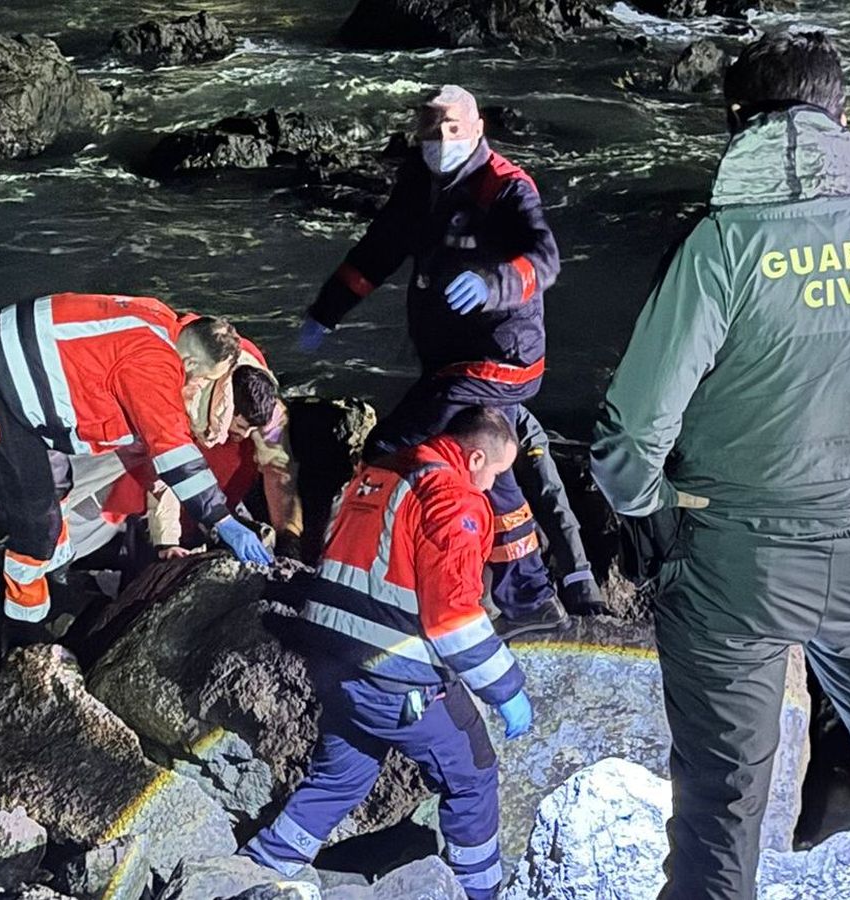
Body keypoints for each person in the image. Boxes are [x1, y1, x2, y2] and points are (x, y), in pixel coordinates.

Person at [590, 32, 850, 900]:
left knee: (724, 784)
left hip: (733, 561)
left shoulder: (721, 248)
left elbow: (631, 437)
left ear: (737, 124)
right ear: (840, 116)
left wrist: (653, 503)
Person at [299, 84, 600, 634]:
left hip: (497, 360)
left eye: (454, 127)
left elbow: (543, 259)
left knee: (394, 447)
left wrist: (492, 284)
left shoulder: (506, 189)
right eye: (432, 126)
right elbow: (380, 248)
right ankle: (529, 598)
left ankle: (370, 580)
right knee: (491, 472)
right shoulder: (418, 181)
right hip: (451, 360)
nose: (442, 138)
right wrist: (328, 310)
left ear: (478, 127)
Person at [240, 406, 533, 899]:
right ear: (476, 456)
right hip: (394, 680)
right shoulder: (454, 499)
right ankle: (478, 892)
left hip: (333, 662)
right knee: (474, 773)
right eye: (496, 474)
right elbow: (453, 616)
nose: (491, 487)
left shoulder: (379, 475)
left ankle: (261, 864)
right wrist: (507, 689)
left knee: (343, 776)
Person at [0, 292, 274, 643]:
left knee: (57, 491)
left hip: (18, 364)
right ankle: (22, 634)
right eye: (204, 380)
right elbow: (174, 453)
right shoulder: (155, 367)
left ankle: (56, 588)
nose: (199, 387)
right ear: (192, 364)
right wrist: (224, 522)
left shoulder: (165, 324)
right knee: (36, 526)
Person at [146, 361, 303, 559]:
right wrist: (167, 541)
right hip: (152, 488)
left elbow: (279, 470)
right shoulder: (185, 401)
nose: (246, 435)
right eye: (240, 426)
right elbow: (168, 469)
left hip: (220, 498)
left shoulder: (267, 408)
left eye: (252, 429)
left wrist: (289, 537)